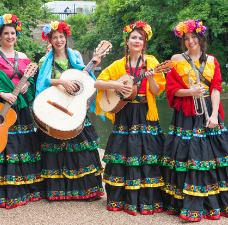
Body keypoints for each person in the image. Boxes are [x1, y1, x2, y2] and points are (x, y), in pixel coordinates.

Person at [94, 21, 166, 215]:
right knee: (123, 154)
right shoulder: (119, 65)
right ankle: (122, 200)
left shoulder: (152, 62)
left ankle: (147, 202)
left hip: (145, 112)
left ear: (144, 42)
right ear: (127, 41)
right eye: (133, 37)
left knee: (148, 154)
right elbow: (98, 83)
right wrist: (116, 86)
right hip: (124, 113)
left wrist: (150, 77)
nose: (137, 41)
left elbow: (157, 91)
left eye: (140, 38)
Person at [161, 19, 228, 222]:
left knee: (212, 156)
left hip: (209, 110)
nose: (190, 42)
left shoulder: (212, 60)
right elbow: (171, 91)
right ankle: (188, 207)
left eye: (193, 37)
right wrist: (191, 91)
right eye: (186, 38)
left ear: (201, 38)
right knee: (188, 156)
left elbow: (216, 88)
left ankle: (214, 204)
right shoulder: (176, 59)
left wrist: (215, 114)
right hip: (187, 114)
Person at [0, 14, 44, 209]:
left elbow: (31, 80)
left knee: (22, 143)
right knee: (5, 145)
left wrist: (26, 86)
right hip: (2, 105)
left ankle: (24, 188)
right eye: (6, 33)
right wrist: (3, 94)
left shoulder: (24, 57)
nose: (9, 36)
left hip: (20, 107)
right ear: (0, 35)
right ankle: (3, 191)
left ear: (17, 35)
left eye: (12, 33)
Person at [36, 21, 104, 200]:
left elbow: (84, 77)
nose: (59, 40)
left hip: (74, 105)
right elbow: (41, 83)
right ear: (49, 40)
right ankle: (56, 191)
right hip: (55, 106)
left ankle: (85, 191)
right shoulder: (45, 60)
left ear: (66, 38)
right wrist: (60, 81)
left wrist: (94, 64)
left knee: (81, 149)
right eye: (55, 37)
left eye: (61, 37)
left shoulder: (76, 56)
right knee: (54, 149)